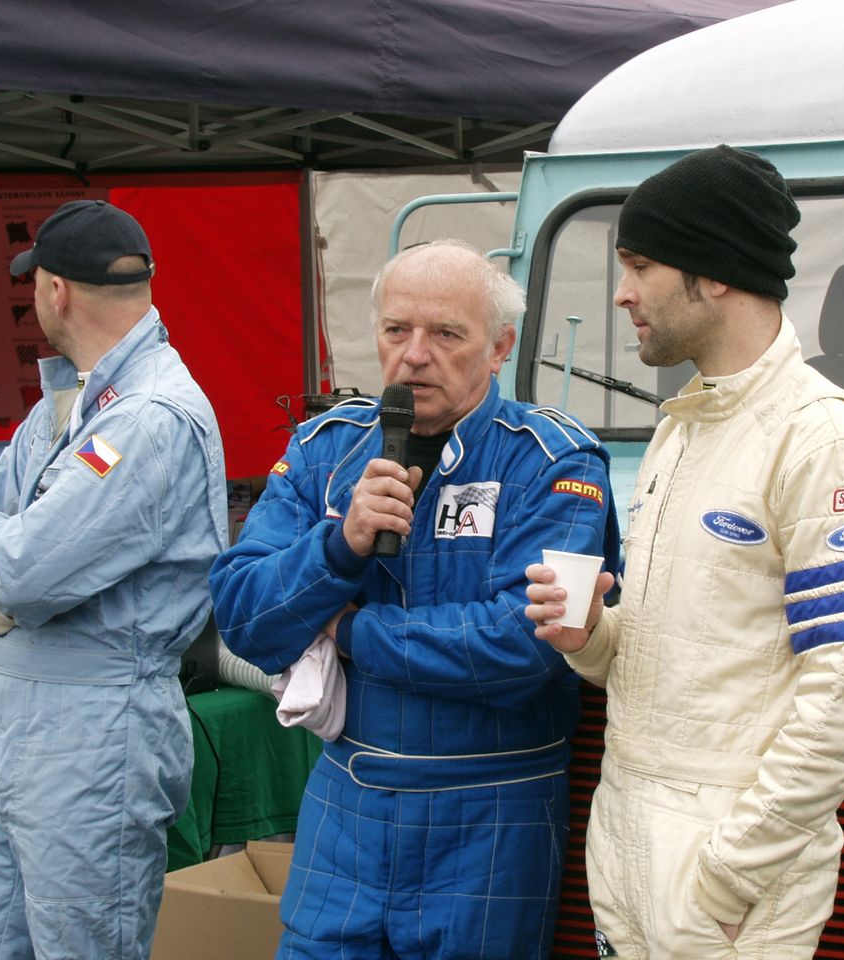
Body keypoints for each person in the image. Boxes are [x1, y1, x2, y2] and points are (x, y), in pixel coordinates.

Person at [524, 145, 844, 959]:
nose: (622, 292)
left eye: (640, 265)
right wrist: (590, 636)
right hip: (628, 841)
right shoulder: (682, 430)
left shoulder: (829, 443)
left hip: (723, 876)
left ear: (712, 273)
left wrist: (733, 871)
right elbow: (687, 657)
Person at [210, 239, 619, 959]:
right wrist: (338, 548)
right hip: (347, 805)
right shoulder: (324, 448)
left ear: (500, 347)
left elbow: (522, 647)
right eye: (396, 330)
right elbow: (241, 614)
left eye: (446, 334)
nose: (415, 355)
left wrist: (349, 631)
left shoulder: (554, 459)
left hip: (492, 813)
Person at [0, 199, 228, 960]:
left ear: (55, 290)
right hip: (11, 709)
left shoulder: (149, 416)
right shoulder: (71, 401)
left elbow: (18, 571)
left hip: (94, 724)